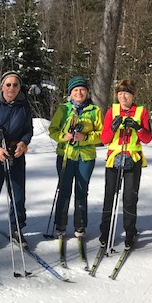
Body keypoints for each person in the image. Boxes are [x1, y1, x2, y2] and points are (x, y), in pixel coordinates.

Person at [0, 71, 33, 247]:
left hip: (16, 153)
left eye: (15, 85)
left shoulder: (24, 105)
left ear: (20, 87)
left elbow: (28, 130)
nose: (11, 88)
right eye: (8, 84)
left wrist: (23, 144)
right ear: (2, 86)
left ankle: (17, 228)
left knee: (18, 194)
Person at [99, 80, 152, 249]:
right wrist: (113, 128)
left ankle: (130, 232)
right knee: (110, 196)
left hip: (133, 158)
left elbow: (147, 138)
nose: (123, 96)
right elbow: (104, 139)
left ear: (133, 95)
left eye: (127, 93)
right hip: (114, 158)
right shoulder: (111, 111)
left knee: (130, 197)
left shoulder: (141, 112)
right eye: (120, 93)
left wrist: (138, 128)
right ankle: (105, 233)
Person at [48, 76, 103, 238]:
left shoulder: (95, 110)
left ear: (87, 92)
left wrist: (85, 138)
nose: (79, 93)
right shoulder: (63, 109)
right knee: (64, 189)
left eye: (82, 90)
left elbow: (101, 135)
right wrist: (63, 136)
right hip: (65, 155)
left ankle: (80, 225)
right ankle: (60, 224)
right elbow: (53, 130)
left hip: (85, 157)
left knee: (81, 190)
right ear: (70, 93)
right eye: (75, 90)